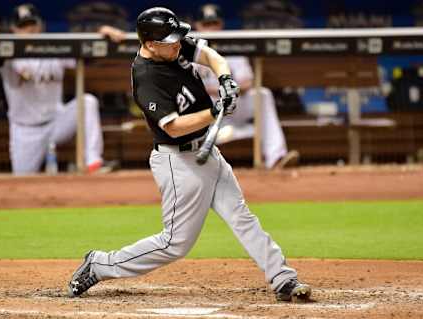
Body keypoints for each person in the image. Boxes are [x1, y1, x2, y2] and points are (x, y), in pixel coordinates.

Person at [67, 7, 311, 303]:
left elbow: (210, 55)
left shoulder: (173, 46)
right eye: (170, 41)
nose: (178, 44)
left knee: (241, 216)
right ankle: (101, 263)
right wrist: (214, 112)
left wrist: (225, 80)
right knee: (174, 244)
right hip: (178, 162)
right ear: (149, 44)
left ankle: (282, 277)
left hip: (207, 153)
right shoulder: (146, 77)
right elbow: (174, 128)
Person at [0, 4, 125, 175]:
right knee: (21, 182)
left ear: (40, 26)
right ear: (14, 29)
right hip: (25, 130)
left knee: (87, 102)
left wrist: (102, 34)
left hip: (57, 122)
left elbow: (88, 54)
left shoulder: (54, 48)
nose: (29, 30)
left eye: (32, 24)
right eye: (23, 26)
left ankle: (93, 162)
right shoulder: (9, 54)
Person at [194, 4, 299, 169]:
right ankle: (231, 134)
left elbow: (248, 82)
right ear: (197, 26)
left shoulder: (233, 46)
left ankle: (276, 158)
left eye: (214, 23)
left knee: (262, 95)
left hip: (233, 103)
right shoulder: (187, 50)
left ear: (221, 24)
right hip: (206, 112)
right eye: (206, 24)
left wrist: (232, 90)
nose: (211, 29)